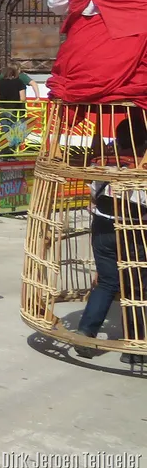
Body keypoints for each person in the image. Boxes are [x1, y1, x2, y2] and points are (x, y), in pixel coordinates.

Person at [74, 115, 147, 366]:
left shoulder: (105, 161)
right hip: (133, 230)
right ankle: (134, 347)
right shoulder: (142, 164)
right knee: (136, 286)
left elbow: (94, 193)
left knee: (107, 282)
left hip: (103, 227)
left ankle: (86, 332)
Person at [0, 63, 28, 155]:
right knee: (11, 130)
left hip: (2, 108)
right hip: (13, 109)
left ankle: (1, 149)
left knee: (4, 129)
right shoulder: (19, 82)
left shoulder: (0, 82)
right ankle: (7, 152)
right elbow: (23, 98)